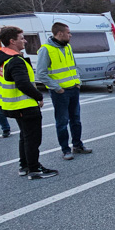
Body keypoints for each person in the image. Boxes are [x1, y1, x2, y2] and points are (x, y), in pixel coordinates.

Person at [0, 26, 58, 180]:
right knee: (33, 139)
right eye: (21, 38)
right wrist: (38, 96)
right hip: (24, 105)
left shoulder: (1, 58)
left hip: (12, 105)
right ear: (12, 41)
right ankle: (35, 169)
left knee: (25, 137)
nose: (25, 41)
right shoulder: (15, 61)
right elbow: (22, 83)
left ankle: (25, 165)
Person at [36, 22, 92, 160]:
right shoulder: (46, 50)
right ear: (60, 33)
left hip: (73, 88)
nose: (70, 35)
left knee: (76, 119)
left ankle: (78, 145)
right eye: (68, 33)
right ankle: (65, 149)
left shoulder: (67, 47)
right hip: (60, 92)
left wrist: (78, 82)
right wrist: (57, 88)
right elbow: (41, 73)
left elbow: (74, 66)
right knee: (62, 121)